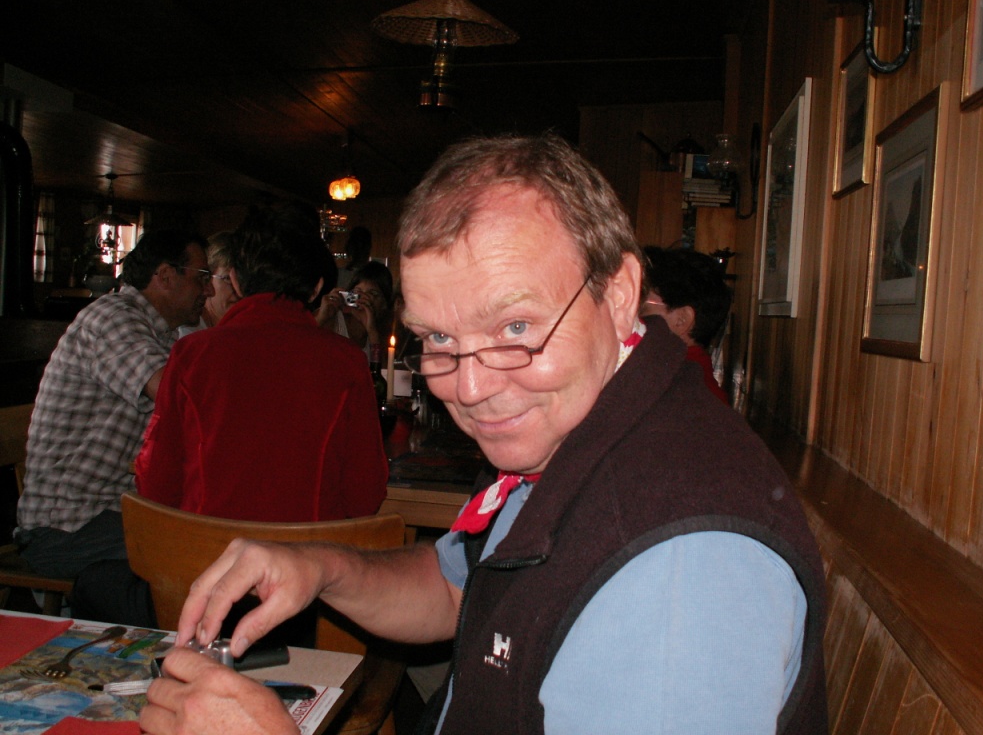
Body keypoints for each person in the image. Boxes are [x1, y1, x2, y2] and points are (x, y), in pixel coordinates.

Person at [141, 135, 827, 735]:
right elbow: (454, 589)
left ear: (619, 294)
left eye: (515, 328)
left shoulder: (679, 570)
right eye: (439, 338)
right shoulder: (586, 424)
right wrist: (321, 569)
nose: (469, 389)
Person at [135, 202, 388, 523]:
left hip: (209, 551)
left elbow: (156, 482)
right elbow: (366, 493)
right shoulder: (347, 362)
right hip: (309, 552)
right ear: (316, 288)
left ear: (236, 280)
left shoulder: (191, 355)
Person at [15, 230, 212, 580]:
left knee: (212, 539)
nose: (209, 291)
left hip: (105, 514)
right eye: (202, 278)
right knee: (199, 550)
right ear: (165, 275)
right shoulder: (113, 318)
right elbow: (179, 398)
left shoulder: (160, 333)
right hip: (65, 528)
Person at [641, 245, 732, 404]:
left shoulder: (681, 395)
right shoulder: (678, 380)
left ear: (682, 320)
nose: (629, 318)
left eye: (642, 308)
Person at [179, 230, 239, 335]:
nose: (238, 289)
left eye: (241, 279)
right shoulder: (188, 334)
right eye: (228, 279)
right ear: (207, 280)